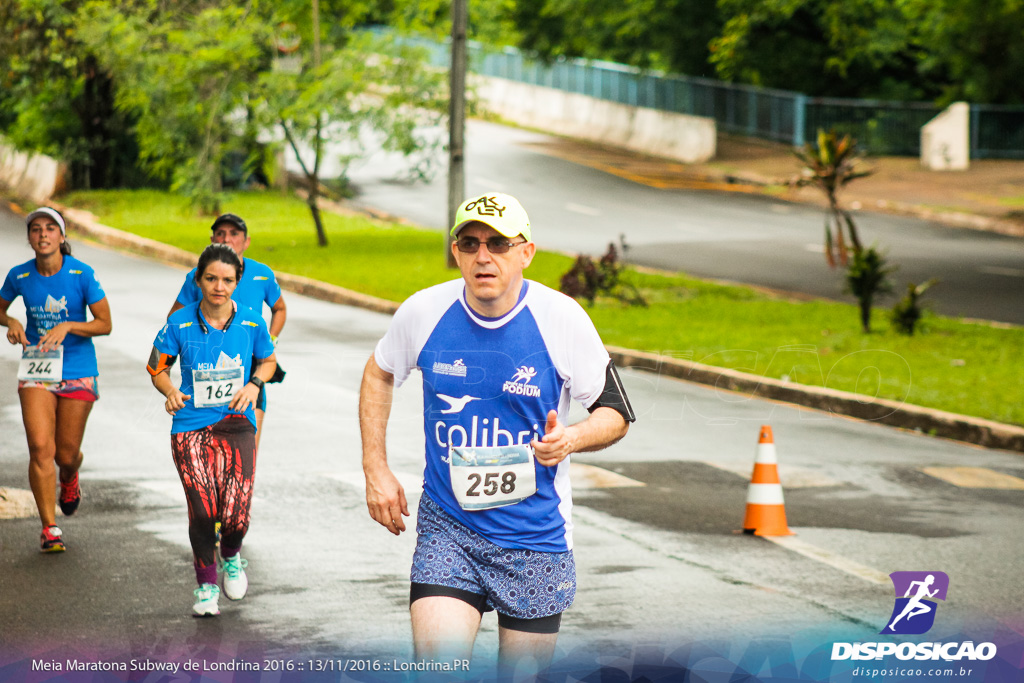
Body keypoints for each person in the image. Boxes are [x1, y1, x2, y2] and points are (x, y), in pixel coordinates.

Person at [359, 193, 635, 675]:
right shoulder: (424, 312)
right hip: (450, 529)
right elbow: (379, 372)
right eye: (470, 243)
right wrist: (375, 468)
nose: (483, 256)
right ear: (457, 252)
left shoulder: (562, 319)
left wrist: (570, 438)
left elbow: (615, 412)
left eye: (498, 244)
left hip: (535, 539)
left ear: (526, 252)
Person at [148, 243, 277, 617]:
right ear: (198, 280)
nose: (218, 287)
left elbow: (268, 361)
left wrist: (254, 384)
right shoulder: (179, 322)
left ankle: (232, 555)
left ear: (237, 282)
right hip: (190, 426)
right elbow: (156, 366)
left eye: (227, 280)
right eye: (211, 279)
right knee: (203, 511)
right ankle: (205, 586)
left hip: (237, 425)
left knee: (236, 516)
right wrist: (170, 391)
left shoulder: (253, 322)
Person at [0, 207, 112, 553]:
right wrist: (11, 322)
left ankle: (69, 476)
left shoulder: (81, 274)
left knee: (65, 454)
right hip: (37, 368)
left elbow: (104, 323)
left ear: (62, 238)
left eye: (50, 229)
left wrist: (68, 325)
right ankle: (49, 527)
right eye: (36, 229)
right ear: (30, 237)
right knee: (40, 448)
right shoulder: (20, 276)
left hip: (78, 369)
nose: (43, 235)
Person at [167, 213, 286, 450]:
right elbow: (173, 319)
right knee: (209, 452)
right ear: (212, 239)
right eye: (220, 234)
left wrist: (269, 339)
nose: (226, 239)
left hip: (249, 366)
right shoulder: (197, 277)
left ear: (246, 241)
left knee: (246, 453)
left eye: (234, 234)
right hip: (206, 366)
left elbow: (279, 308)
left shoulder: (262, 274)